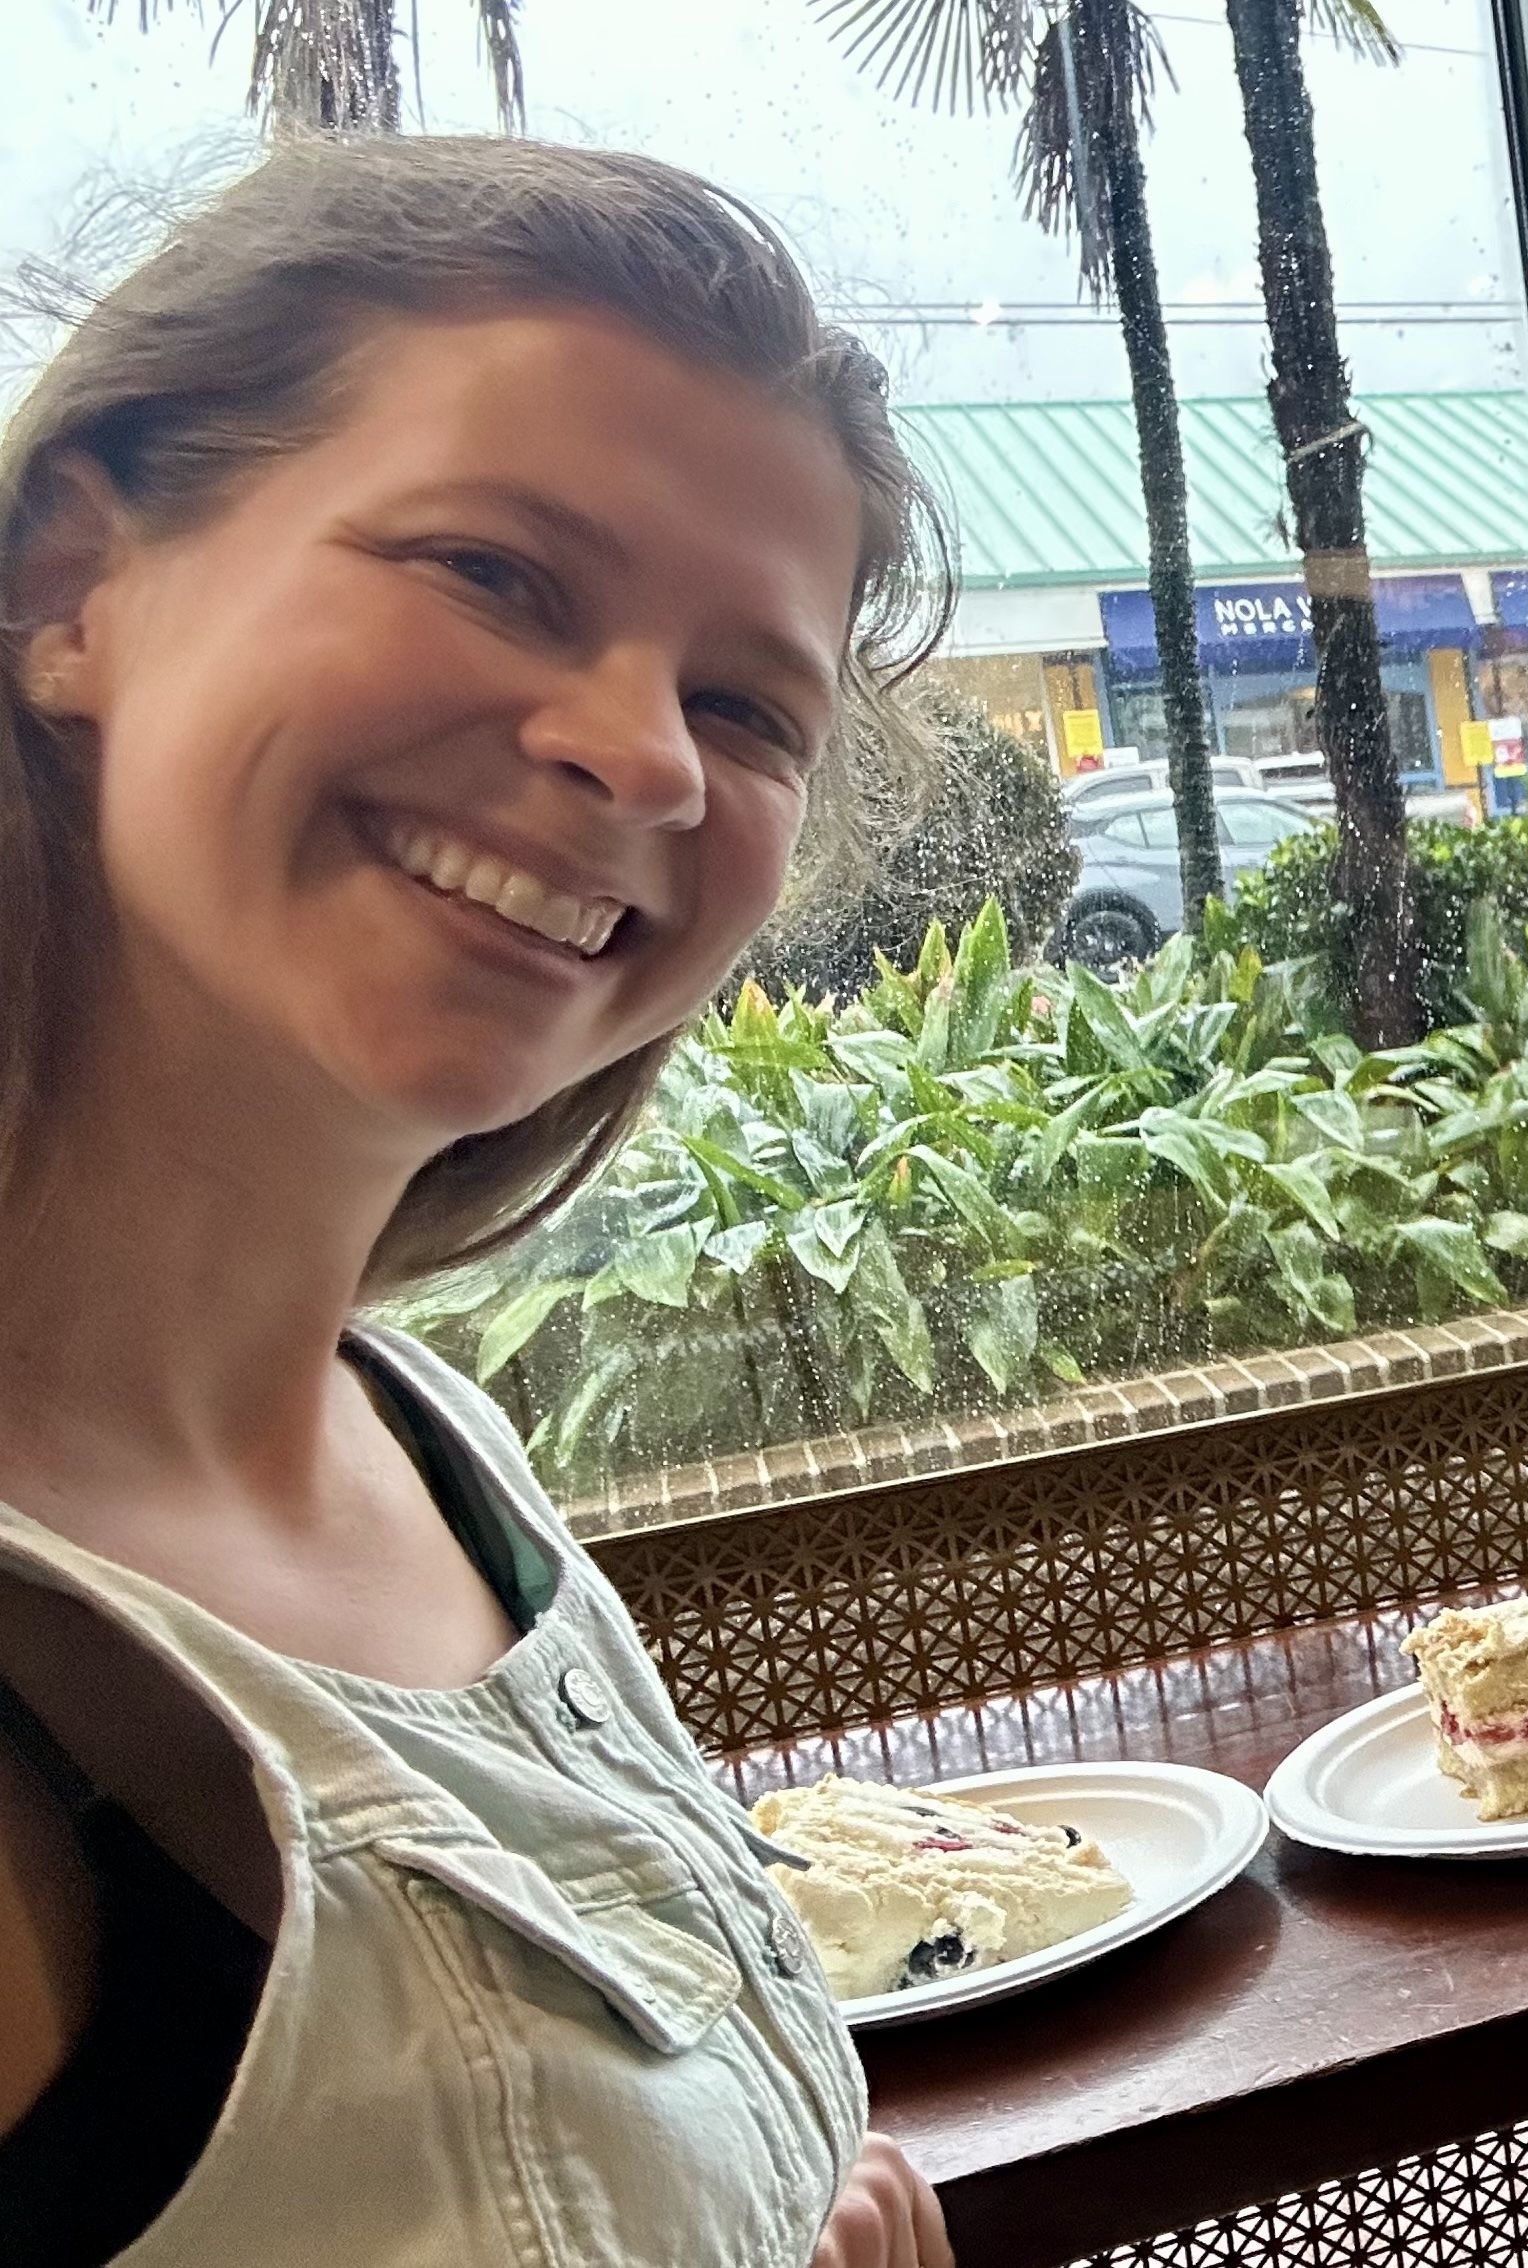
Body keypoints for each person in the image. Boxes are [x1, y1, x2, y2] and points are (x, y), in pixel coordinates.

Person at [0, 138, 956, 2265]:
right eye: (497, 572)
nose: (645, 758)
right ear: (72, 589)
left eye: (742, 704)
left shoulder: (434, 1458)